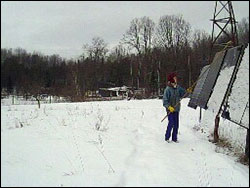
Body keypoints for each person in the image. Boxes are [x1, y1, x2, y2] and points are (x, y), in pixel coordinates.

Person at [162, 72, 193, 143]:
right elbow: (165, 101)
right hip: (170, 109)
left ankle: (174, 138)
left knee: (176, 124)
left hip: (176, 109)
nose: (176, 79)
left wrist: (188, 91)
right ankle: (167, 138)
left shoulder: (178, 88)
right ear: (171, 79)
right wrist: (169, 107)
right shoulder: (168, 89)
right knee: (171, 123)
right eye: (174, 78)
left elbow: (184, 94)